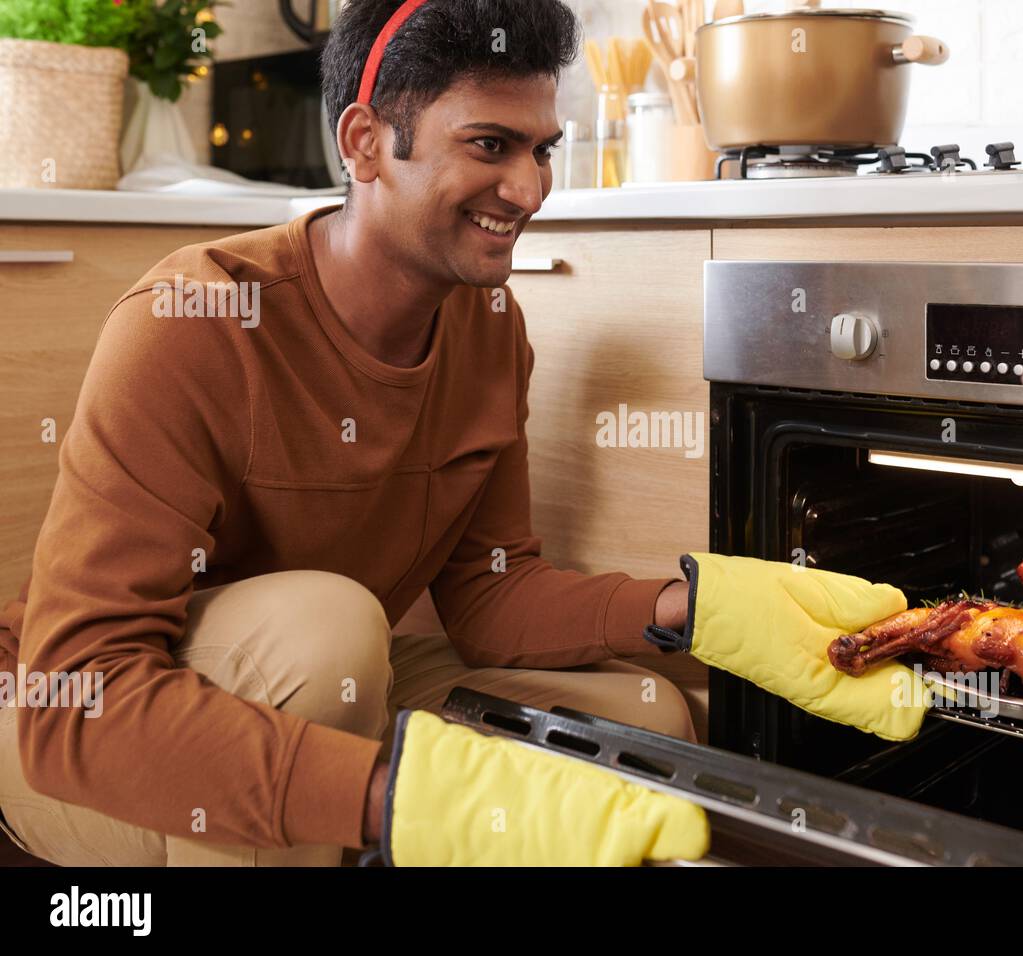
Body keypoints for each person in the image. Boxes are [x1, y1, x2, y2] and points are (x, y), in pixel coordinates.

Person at [0, 0, 698, 867]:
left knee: (642, 720)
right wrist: (397, 798)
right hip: (70, 727)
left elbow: (490, 595)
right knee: (327, 628)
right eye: (490, 145)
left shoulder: (488, 323)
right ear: (366, 141)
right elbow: (78, 701)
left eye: (541, 148)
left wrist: (697, 608)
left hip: (323, 676)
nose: (530, 189)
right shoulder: (195, 321)